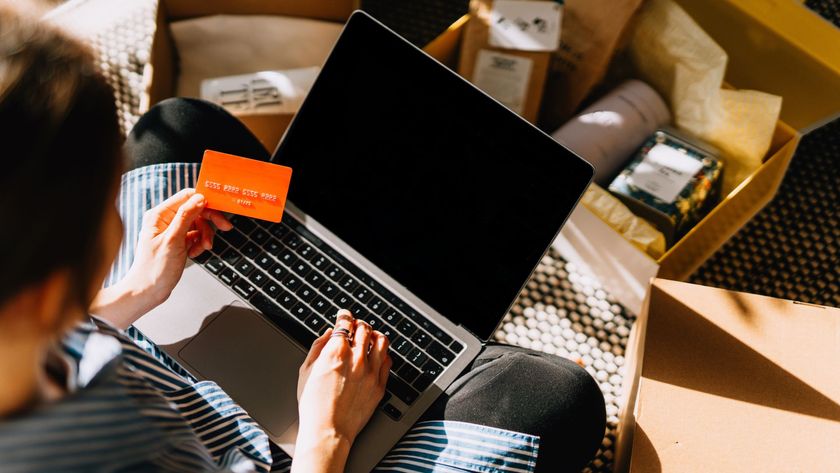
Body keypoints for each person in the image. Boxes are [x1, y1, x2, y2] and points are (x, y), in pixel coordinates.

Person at [0, 4, 606, 472]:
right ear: (50, 281)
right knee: (560, 397)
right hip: (289, 456)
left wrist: (130, 296)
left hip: (146, 361)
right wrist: (328, 433)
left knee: (182, 125)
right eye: (106, 198)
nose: (119, 208)